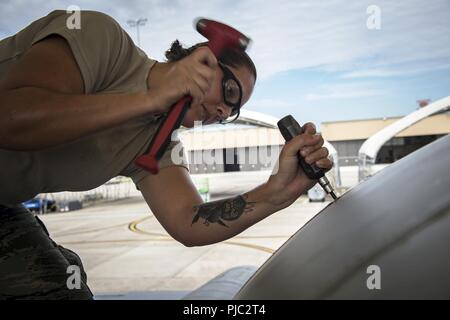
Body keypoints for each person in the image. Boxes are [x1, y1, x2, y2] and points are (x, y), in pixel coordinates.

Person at [0, 10, 332, 299]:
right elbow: (9, 118)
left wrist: (276, 192)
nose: (222, 109)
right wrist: (150, 100)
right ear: (203, 57)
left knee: (60, 283)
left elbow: (189, 222)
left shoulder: (158, 145)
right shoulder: (101, 38)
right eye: (229, 91)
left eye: (233, 108)